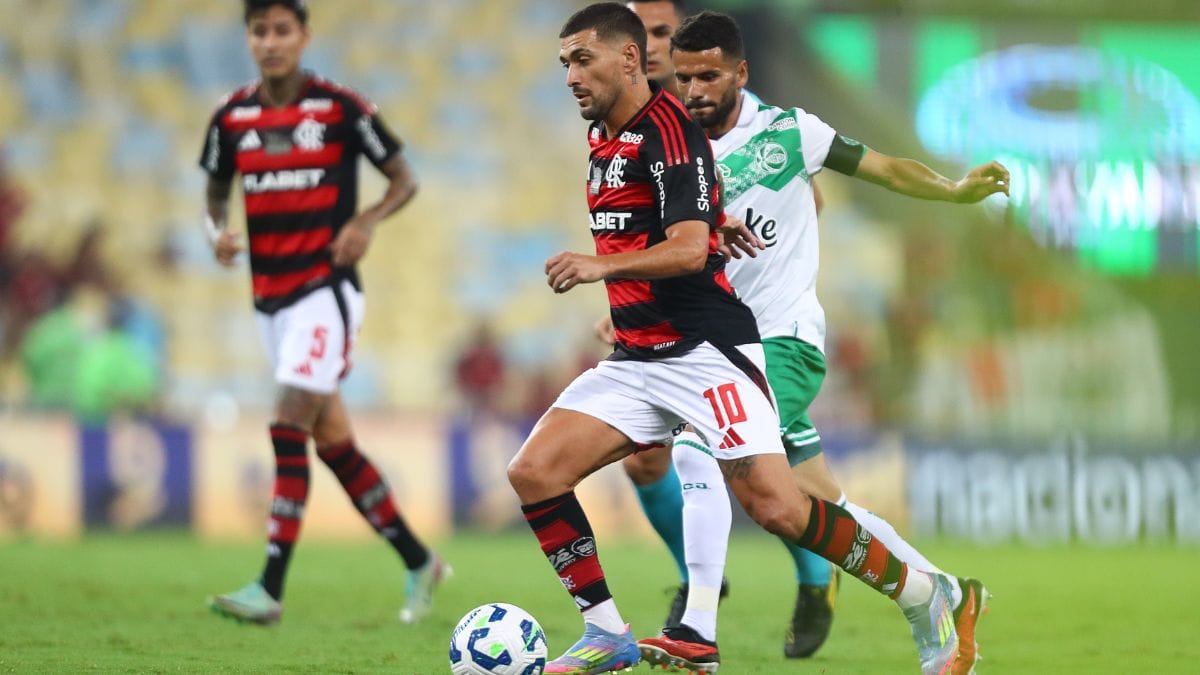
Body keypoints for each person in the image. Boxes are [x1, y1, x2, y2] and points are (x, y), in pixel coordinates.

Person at [508, 4, 960, 674]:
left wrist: (604, 265)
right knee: (535, 471)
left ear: (628, 59)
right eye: (565, 63)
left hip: (706, 353)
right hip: (638, 355)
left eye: (583, 59)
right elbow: (690, 218)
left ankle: (922, 594)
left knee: (780, 507)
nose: (570, 76)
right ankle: (608, 631)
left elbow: (688, 250)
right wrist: (714, 221)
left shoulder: (669, 130)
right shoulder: (606, 131)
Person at [636, 12, 1007, 673]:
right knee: (809, 507)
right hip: (718, 346)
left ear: (740, 73)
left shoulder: (789, 132)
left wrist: (952, 190)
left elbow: (885, 168)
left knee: (697, 444)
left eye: (708, 75)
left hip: (782, 340)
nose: (694, 88)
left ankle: (695, 628)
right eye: (685, 76)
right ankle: (943, 591)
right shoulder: (671, 147)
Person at [199, 0, 446, 626]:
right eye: (259, 31)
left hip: (324, 293)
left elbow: (405, 178)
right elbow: (213, 192)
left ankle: (269, 587)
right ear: (249, 40)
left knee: (287, 426)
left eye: (282, 30)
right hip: (270, 301)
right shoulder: (231, 116)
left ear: (304, 36)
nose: (271, 42)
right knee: (333, 443)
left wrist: (366, 220)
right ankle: (421, 561)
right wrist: (217, 232)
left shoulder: (340, 108)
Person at [620, 0, 836, 648]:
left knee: (774, 487)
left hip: (749, 325)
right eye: (638, 36)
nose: (648, 48)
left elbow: (806, 196)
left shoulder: (728, 111)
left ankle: (815, 579)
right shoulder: (641, 123)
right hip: (682, 321)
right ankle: (699, 579)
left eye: (659, 33)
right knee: (646, 456)